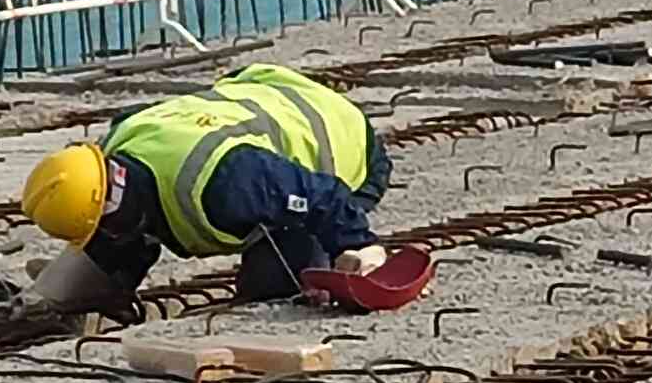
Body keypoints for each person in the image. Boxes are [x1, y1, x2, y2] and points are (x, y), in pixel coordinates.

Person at [19, 63, 393, 311]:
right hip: (260, 88)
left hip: (344, 140)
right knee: (123, 241)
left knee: (274, 286)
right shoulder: (118, 144)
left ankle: (299, 266)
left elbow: (325, 197)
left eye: (104, 225)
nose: (107, 233)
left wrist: (360, 247)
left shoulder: (227, 182)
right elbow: (115, 224)